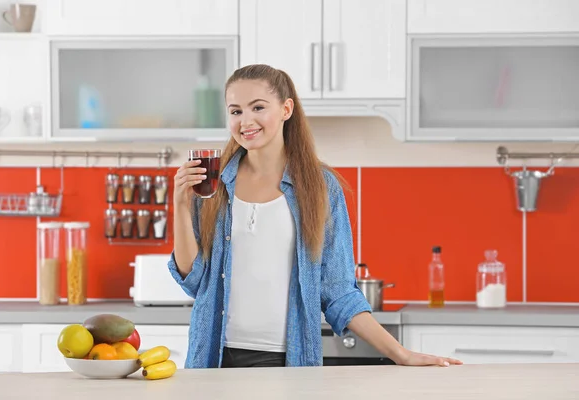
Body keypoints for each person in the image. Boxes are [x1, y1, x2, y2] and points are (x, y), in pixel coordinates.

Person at [168, 64, 462, 369]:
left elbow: (338, 292)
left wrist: (402, 354)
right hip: (214, 358)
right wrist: (181, 203)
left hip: (289, 362)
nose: (246, 121)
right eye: (235, 111)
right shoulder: (213, 185)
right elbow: (193, 279)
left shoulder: (320, 187)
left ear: (286, 109)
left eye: (258, 107)